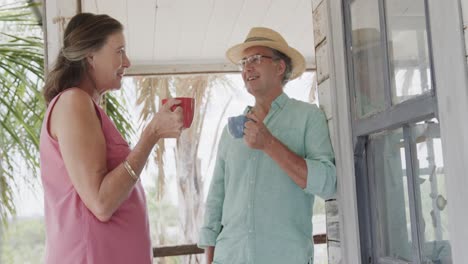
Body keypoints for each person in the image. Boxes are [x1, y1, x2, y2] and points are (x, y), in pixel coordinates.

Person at [40, 13, 184, 264]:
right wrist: (151, 135)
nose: (127, 61)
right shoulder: (74, 102)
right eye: (119, 51)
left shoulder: (84, 106)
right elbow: (102, 203)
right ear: (90, 56)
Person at [198, 27, 337, 264]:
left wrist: (269, 144)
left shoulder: (308, 117)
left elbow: (327, 183)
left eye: (255, 59)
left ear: (279, 67)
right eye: (244, 62)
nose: (247, 68)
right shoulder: (230, 131)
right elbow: (215, 202)